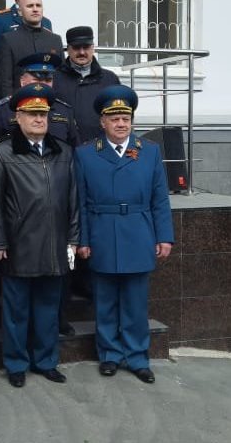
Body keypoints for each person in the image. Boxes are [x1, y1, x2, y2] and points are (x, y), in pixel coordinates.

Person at [74, 85, 173, 383]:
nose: (120, 124)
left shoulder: (149, 152)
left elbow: (160, 198)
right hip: (102, 232)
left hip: (139, 233)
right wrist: (83, 239)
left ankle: (137, 357)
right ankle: (109, 354)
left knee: (135, 303)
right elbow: (80, 202)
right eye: (114, 118)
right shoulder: (86, 154)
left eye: (125, 118)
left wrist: (164, 236)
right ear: (102, 121)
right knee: (105, 301)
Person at [0, 83, 79, 388]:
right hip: (19, 245)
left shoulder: (63, 151)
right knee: (16, 311)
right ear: (18, 117)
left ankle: (46, 361)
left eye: (43, 114)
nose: (39, 119)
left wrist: (74, 239)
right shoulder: (1, 152)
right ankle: (16, 364)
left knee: (48, 309)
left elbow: (74, 201)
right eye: (32, 113)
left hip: (54, 245)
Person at [0, 53, 80, 148]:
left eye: (48, 80)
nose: (43, 85)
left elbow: (75, 148)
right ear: (22, 81)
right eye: (37, 80)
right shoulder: (3, 110)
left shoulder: (64, 110)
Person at [53, 26, 120, 143]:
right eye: (76, 48)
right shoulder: (54, 78)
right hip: (64, 146)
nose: (82, 52)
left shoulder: (109, 79)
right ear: (68, 49)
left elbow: (120, 114)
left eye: (86, 47)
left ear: (93, 48)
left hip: (100, 146)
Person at [0, 0, 62, 98]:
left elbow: (61, 78)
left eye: (38, 5)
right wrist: (9, 107)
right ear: (20, 11)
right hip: (20, 103)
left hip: (49, 103)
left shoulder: (55, 40)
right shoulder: (9, 40)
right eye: (30, 6)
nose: (35, 9)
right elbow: (5, 82)